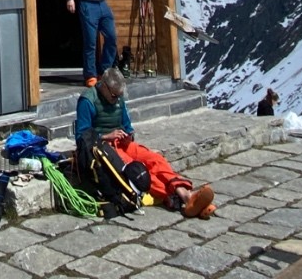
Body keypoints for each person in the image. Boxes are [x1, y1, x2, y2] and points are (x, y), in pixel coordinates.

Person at [76, 67, 215, 217]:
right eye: (114, 95)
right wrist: (105, 136)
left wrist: (129, 134)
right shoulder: (88, 100)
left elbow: (127, 124)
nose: (117, 99)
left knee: (155, 159)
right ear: (104, 86)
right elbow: (81, 137)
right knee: (138, 171)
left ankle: (184, 194)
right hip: (103, 149)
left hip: (123, 143)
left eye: (119, 96)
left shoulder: (119, 99)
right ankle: (185, 197)